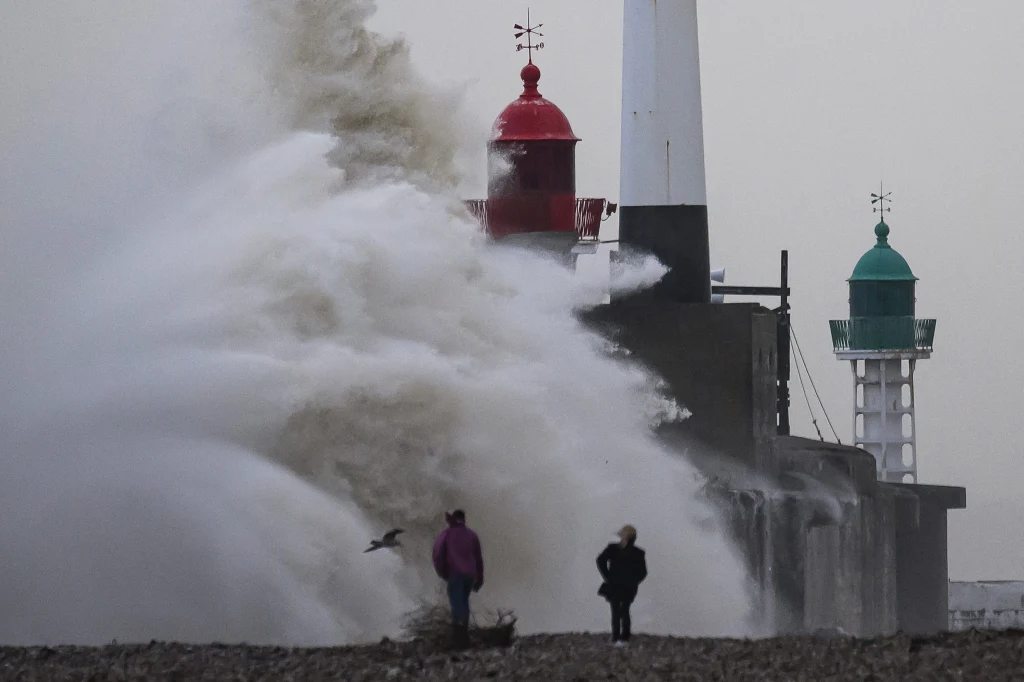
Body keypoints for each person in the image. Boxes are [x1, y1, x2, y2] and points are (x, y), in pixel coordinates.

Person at [432, 509, 484, 648]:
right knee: (464, 601)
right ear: (464, 519)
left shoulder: (447, 534)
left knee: (456, 603)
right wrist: (479, 578)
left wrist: (442, 572)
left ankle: (459, 637)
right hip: (469, 575)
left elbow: (437, 553)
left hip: (455, 573)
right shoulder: (472, 535)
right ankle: (464, 635)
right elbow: (478, 558)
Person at [596, 524, 647, 646]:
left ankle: (620, 637)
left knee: (620, 610)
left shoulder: (629, 551)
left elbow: (643, 572)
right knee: (620, 610)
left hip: (621, 585)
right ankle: (620, 637)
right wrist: (608, 576)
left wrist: (608, 577)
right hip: (621, 585)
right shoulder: (633, 552)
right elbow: (600, 560)